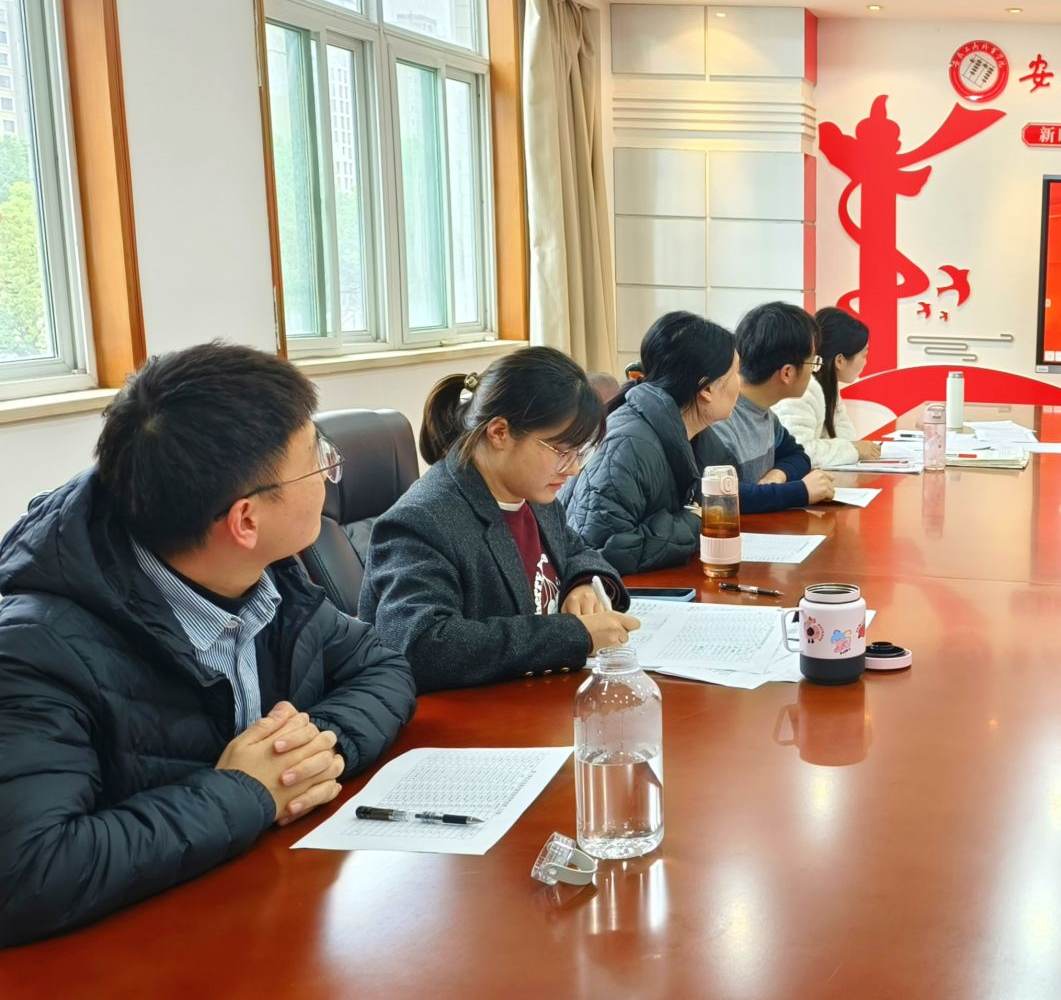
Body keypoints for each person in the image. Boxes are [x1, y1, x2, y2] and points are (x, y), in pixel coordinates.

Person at [0, 343, 415, 946]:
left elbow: (379, 663)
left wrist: (309, 755)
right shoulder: (35, 650)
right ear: (245, 521)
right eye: (317, 460)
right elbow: (28, 874)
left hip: (264, 918)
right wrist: (247, 793)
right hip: (139, 965)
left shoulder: (266, 576)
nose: (331, 471)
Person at [360, 347, 637, 692]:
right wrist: (573, 635)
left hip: (539, 696)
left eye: (580, 452)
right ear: (500, 433)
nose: (574, 468)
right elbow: (424, 646)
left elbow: (574, 548)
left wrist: (583, 582)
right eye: (562, 451)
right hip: (472, 715)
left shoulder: (531, 491)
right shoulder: (422, 521)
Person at [563, 312, 742, 574]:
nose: (740, 384)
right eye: (735, 373)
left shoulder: (697, 434)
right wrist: (695, 521)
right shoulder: (628, 446)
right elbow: (602, 549)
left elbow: (724, 495)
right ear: (706, 389)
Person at [699, 302, 835, 512]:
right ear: (787, 373)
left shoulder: (764, 413)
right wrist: (801, 491)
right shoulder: (721, 417)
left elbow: (798, 456)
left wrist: (777, 475)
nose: (814, 371)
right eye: (813, 362)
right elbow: (722, 495)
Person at [773, 306, 883, 466]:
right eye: (864, 355)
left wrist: (853, 448)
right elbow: (798, 451)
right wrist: (853, 449)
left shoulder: (828, 384)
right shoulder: (802, 389)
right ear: (840, 360)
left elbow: (845, 436)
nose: (866, 362)